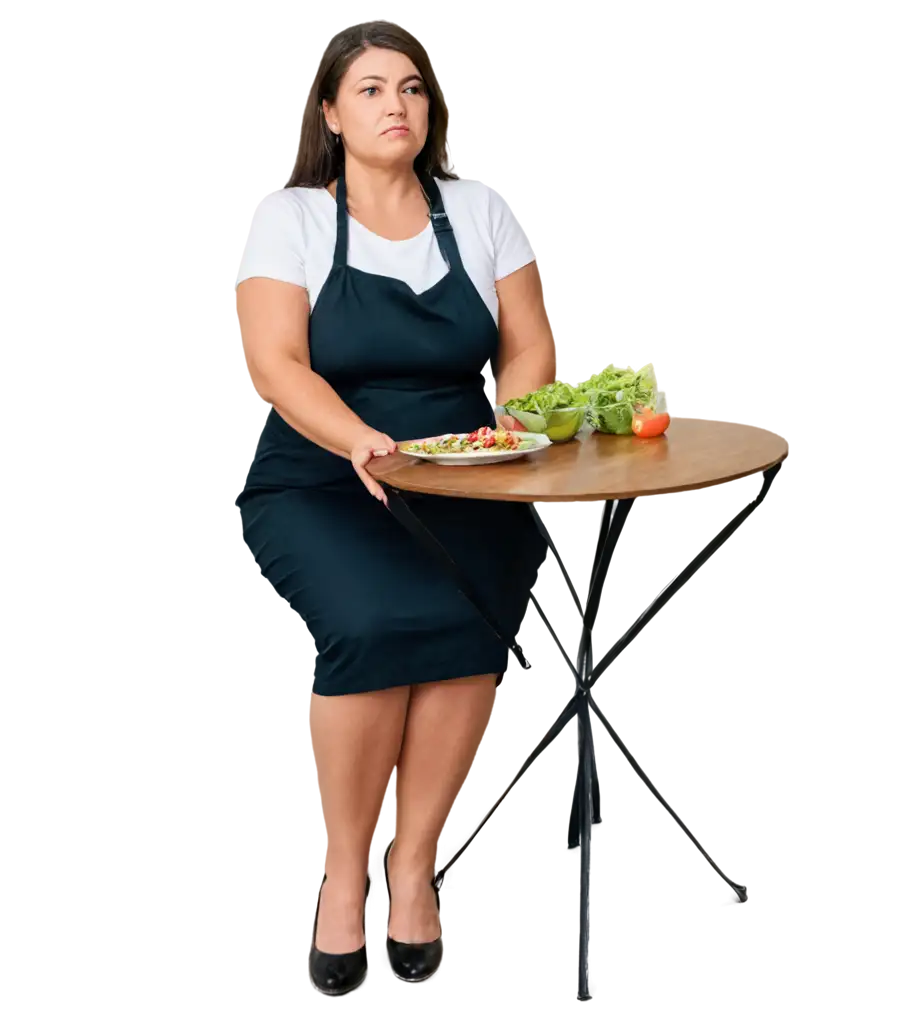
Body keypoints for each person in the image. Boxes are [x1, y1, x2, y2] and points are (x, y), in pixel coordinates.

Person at [229, 19, 557, 997]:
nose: (395, 105)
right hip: (320, 474)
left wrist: (515, 422)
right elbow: (275, 363)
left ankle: (411, 867)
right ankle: (342, 880)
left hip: (463, 469)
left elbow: (530, 343)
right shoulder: (286, 217)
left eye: (410, 88)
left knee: (470, 630)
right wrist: (356, 439)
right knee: (370, 627)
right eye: (370, 89)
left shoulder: (484, 208)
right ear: (331, 114)